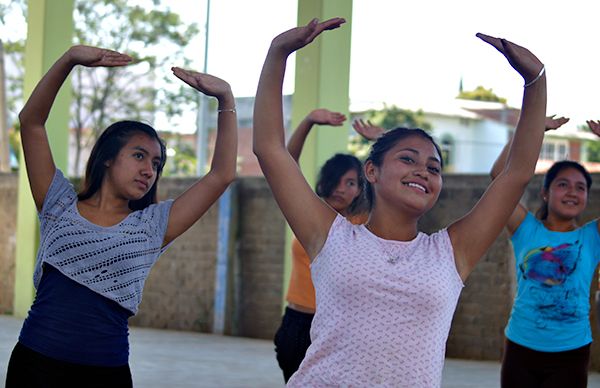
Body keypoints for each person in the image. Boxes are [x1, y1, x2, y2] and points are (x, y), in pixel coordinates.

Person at [253, 18, 547, 386]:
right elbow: (269, 149)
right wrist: (279, 51)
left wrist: (535, 80)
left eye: (433, 167)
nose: (423, 171)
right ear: (371, 172)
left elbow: (516, 173)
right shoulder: (331, 235)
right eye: (408, 159)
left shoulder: (451, 251)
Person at [5, 45, 237, 387]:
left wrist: (226, 99)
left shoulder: (153, 226)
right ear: (108, 158)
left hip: (105, 373)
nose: (149, 170)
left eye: (156, 164)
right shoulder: (58, 204)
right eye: (140, 156)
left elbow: (221, 175)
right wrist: (68, 59)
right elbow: (32, 122)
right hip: (35, 367)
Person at [493, 116, 600, 388]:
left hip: (571, 352)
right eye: (563, 184)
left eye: (580, 187)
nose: (572, 192)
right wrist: (530, 129)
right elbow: (498, 177)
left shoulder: (591, 237)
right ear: (545, 193)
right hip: (521, 347)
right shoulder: (526, 229)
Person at [273, 108, 366, 382]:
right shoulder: (310, 214)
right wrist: (308, 121)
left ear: (362, 188)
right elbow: (285, 163)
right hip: (297, 321)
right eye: (336, 179)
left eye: (351, 182)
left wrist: (380, 139)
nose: (341, 187)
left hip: (338, 328)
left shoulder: (364, 223)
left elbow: (392, 179)